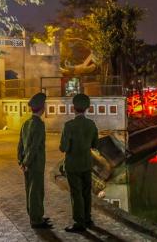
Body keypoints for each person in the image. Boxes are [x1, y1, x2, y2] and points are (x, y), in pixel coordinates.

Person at [60, 93, 98, 232]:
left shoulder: (69, 125)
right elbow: (95, 145)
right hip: (87, 164)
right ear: (87, 108)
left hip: (72, 165)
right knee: (87, 192)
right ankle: (88, 218)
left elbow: (63, 147)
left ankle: (79, 222)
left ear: (73, 108)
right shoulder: (91, 124)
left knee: (76, 193)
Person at [17, 92, 52, 229]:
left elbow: (20, 145)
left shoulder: (26, 123)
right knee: (36, 191)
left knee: (29, 190)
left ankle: (35, 215)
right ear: (42, 108)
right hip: (35, 163)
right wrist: (26, 162)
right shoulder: (39, 125)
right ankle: (36, 220)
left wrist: (21, 161)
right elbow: (34, 147)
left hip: (26, 164)